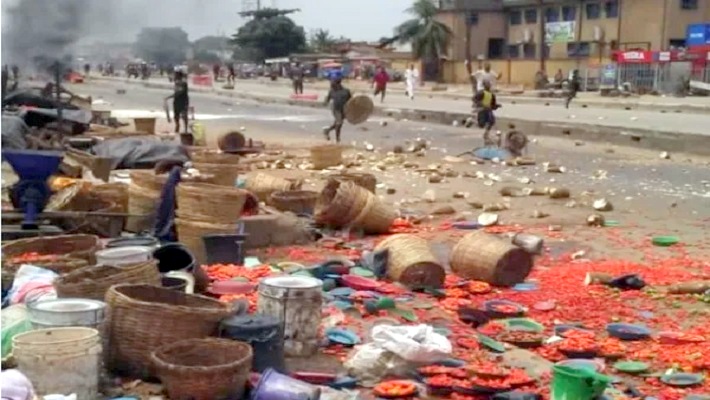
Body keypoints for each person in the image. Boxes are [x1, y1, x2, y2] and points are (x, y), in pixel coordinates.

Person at [322, 76, 352, 143]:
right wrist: (325, 102)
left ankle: (327, 131)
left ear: (338, 84)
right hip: (336, 109)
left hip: (344, 109)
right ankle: (337, 139)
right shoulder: (332, 91)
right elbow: (327, 99)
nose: (331, 85)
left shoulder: (346, 91)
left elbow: (351, 101)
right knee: (339, 123)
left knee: (337, 124)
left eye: (333, 83)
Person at [474, 80, 500, 146]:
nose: (488, 86)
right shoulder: (481, 93)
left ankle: (486, 134)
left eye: (489, 84)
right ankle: (472, 121)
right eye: (486, 84)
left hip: (488, 110)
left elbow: (493, 105)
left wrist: (497, 106)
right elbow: (475, 99)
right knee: (481, 124)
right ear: (484, 86)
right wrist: (481, 104)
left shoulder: (492, 95)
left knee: (492, 121)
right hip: (482, 110)